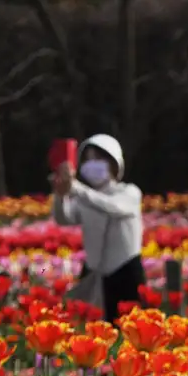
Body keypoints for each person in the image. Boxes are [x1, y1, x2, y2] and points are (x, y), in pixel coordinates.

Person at [50, 134, 144, 319]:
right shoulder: (85, 197)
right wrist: (60, 195)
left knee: (130, 329)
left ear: (114, 162)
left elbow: (112, 207)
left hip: (124, 270)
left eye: (98, 159)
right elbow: (64, 218)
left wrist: (76, 188)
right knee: (92, 331)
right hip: (93, 272)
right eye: (88, 160)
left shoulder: (129, 192)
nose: (92, 164)